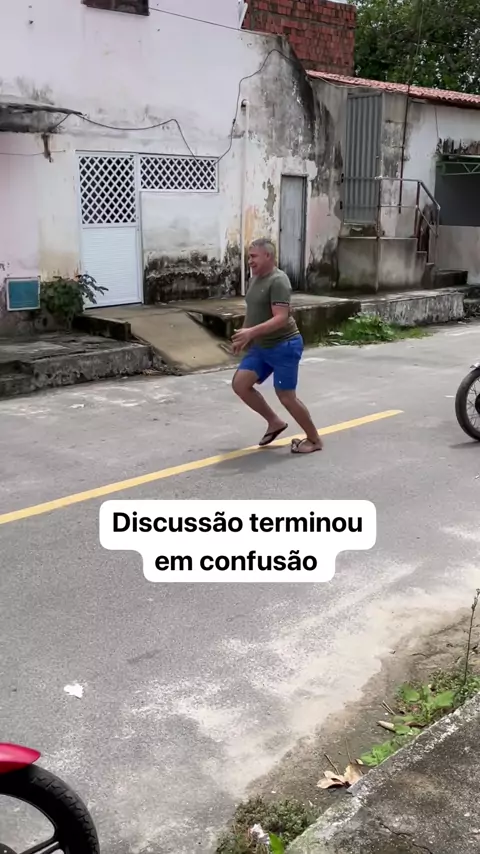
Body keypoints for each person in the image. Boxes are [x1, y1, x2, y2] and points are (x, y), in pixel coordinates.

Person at [231, 238, 323, 455]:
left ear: (268, 256)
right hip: (261, 346)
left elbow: (281, 318)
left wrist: (251, 333)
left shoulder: (278, 281)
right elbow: (253, 312)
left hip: (284, 346)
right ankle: (274, 422)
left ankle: (314, 439)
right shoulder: (255, 279)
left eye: (253, 256)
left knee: (286, 397)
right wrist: (243, 336)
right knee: (240, 384)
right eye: (249, 256)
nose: (249, 261)